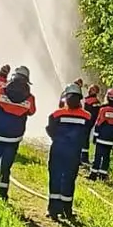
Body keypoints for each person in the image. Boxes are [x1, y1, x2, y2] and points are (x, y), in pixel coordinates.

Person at [0, 65, 36, 200]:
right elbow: (31, 111)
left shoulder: (1, 91)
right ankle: (2, 193)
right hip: (14, 139)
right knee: (6, 167)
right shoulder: (30, 98)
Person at [44, 83, 92, 218]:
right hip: (74, 152)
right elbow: (86, 133)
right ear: (80, 98)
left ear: (65, 97)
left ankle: (53, 210)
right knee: (69, 179)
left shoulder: (55, 114)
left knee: (55, 177)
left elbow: (50, 130)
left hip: (58, 149)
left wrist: (58, 139)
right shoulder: (87, 116)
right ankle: (67, 210)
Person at [88, 88, 113, 181]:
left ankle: (93, 174)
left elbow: (98, 124)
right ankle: (103, 175)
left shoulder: (103, 109)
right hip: (110, 139)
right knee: (106, 157)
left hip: (101, 138)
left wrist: (95, 136)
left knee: (98, 156)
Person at [80, 84, 102, 166]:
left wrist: (88, 122)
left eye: (92, 89)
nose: (89, 90)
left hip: (87, 122)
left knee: (85, 139)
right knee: (83, 139)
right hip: (84, 122)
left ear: (96, 92)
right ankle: (81, 157)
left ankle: (84, 158)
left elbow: (95, 114)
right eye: (90, 88)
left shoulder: (95, 102)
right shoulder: (87, 99)